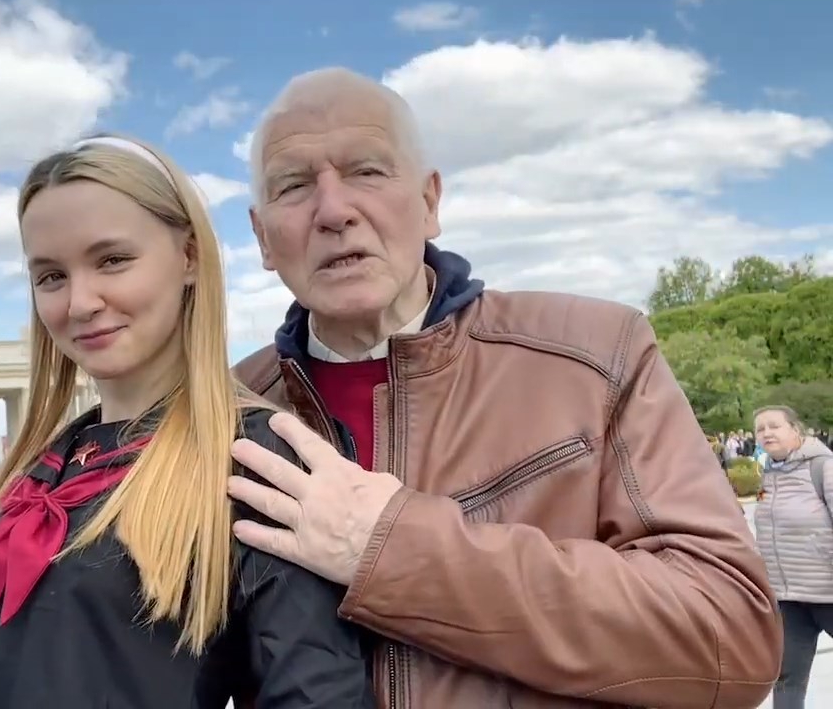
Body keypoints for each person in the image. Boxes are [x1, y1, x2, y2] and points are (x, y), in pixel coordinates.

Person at [228, 67, 782, 707]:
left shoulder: (596, 356)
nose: (333, 210)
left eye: (367, 171)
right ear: (261, 236)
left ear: (430, 202)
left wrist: (392, 550)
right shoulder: (224, 411)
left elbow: (730, 636)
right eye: (294, 186)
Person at [0, 135, 373, 709]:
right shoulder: (43, 466)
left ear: (188, 257)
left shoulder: (252, 459)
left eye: (112, 260)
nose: (80, 302)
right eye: (51, 276)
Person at [753, 405, 833, 708]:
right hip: (789, 599)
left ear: (795, 430)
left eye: (774, 426)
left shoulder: (823, 467)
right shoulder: (768, 476)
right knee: (787, 678)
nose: (766, 433)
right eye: (760, 429)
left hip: (828, 592)